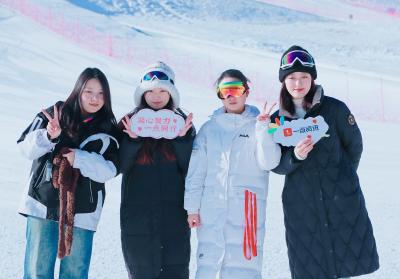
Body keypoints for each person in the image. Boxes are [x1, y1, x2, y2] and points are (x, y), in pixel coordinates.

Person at [271, 45, 379, 279]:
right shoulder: (276, 120)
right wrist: (295, 157)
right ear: (283, 81)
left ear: (313, 78)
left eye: (304, 77)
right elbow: (275, 164)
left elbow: (354, 146)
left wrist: (342, 178)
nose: (298, 83)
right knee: (312, 267)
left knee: (344, 263)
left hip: (340, 199)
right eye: (291, 77)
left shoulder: (335, 109)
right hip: (301, 204)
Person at [17, 67, 120, 278]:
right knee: (37, 271)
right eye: (89, 91)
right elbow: (25, 148)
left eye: (101, 94)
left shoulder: (109, 128)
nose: (94, 98)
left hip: (83, 211)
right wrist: (48, 135)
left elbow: (110, 170)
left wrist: (80, 159)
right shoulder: (55, 113)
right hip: (42, 203)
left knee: (74, 273)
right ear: (78, 90)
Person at [184, 69, 281, 279]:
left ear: (246, 91)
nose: (231, 96)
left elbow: (270, 162)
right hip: (211, 212)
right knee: (209, 267)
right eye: (224, 91)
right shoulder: (209, 130)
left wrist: (265, 128)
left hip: (246, 211)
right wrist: (192, 208)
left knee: (244, 270)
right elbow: (196, 173)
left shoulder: (261, 124)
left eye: (236, 89)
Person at [119, 61, 195, 279]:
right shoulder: (129, 123)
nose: (156, 96)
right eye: (150, 91)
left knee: (176, 272)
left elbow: (192, 169)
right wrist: (132, 141)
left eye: (163, 90)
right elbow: (118, 167)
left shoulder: (182, 124)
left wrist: (182, 140)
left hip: (175, 218)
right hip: (137, 218)